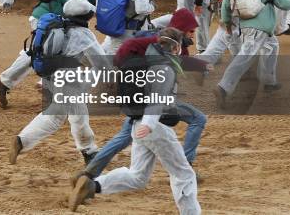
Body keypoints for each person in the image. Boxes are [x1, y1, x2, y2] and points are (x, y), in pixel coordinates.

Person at [69, 28, 201, 215]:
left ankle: (94, 186)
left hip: (137, 125)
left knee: (138, 176)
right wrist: (149, 124)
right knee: (184, 174)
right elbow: (157, 99)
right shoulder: (164, 67)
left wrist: (145, 124)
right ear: (174, 47)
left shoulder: (145, 60)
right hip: (155, 128)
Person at [84, 11, 208, 182]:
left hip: (141, 98)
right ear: (182, 29)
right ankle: (188, 167)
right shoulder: (161, 43)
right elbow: (128, 49)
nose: (193, 34)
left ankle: (89, 173)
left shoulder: (176, 47)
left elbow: (181, 63)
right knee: (198, 118)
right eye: (191, 31)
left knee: (126, 134)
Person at [9, 0, 108, 166]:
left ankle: (22, 141)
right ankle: (89, 152)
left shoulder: (57, 27)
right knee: (74, 117)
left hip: (50, 76)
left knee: (57, 114)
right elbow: (102, 64)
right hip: (68, 81)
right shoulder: (84, 35)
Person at [0, 0, 94, 108]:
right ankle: (52, 95)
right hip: (45, 18)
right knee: (47, 53)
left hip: (58, 22)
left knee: (37, 52)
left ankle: (3, 83)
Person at [214, 0, 290, 107]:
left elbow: (227, 2)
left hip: (246, 24)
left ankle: (269, 81)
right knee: (246, 56)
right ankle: (223, 87)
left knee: (272, 45)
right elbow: (284, 4)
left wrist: (227, 22)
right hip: (260, 27)